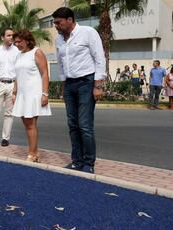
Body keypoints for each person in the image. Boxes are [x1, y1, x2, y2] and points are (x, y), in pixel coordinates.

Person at [53, 7, 106, 174]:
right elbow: (60, 64)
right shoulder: (59, 40)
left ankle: (89, 163)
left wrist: (97, 86)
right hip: (69, 85)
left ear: (70, 20)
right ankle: (76, 161)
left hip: (86, 83)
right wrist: (63, 87)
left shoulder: (88, 32)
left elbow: (99, 58)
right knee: (72, 124)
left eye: (58, 22)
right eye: (55, 23)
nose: (56, 26)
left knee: (84, 125)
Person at [12, 30, 51, 162]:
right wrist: (14, 92)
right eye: (15, 42)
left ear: (28, 40)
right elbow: (17, 76)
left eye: (19, 41)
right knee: (27, 123)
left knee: (30, 123)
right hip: (22, 94)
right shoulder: (18, 56)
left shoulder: (37, 52)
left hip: (34, 93)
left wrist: (45, 94)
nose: (17, 44)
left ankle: (32, 153)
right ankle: (35, 152)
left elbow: (45, 73)